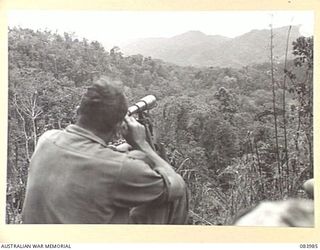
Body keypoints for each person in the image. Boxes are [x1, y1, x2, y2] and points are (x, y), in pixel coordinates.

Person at [22, 78, 188, 224]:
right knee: (174, 193)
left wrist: (119, 151)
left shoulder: (47, 138)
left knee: (137, 158)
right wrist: (141, 144)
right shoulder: (119, 169)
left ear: (78, 110)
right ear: (118, 128)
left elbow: (86, 156)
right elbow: (177, 184)